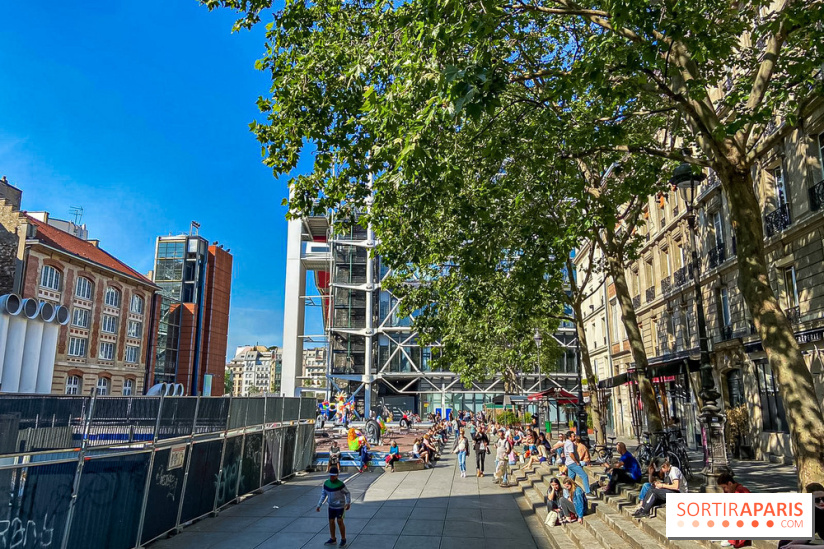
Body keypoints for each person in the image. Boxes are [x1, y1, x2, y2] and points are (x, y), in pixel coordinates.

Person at [778, 482, 824, 547]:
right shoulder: (817, 513)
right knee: (784, 544)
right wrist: (789, 546)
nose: (821, 502)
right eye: (816, 500)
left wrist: (801, 547)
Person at [316, 466, 351, 547]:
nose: (332, 477)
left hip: (340, 506)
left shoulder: (340, 485)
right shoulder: (326, 484)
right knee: (331, 521)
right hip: (331, 506)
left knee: (340, 521)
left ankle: (343, 539)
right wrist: (319, 504)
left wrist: (348, 502)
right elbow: (323, 495)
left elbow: (347, 493)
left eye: (334, 476)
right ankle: (333, 538)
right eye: (331, 476)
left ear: (337, 476)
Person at [716, 472, 751, 548]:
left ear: (730, 484)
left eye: (724, 487)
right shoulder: (733, 491)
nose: (724, 490)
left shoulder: (741, 492)